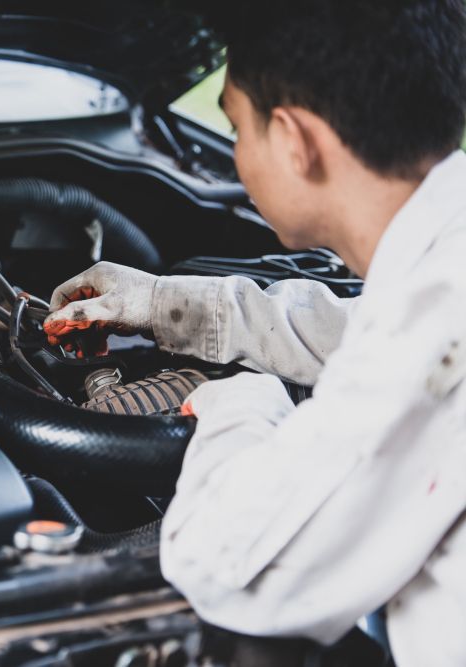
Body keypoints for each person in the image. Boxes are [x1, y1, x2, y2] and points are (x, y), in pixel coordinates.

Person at [43, 1, 466, 665]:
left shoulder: (441, 324)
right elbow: (351, 329)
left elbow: (227, 566)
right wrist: (160, 303)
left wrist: (241, 406)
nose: (235, 151)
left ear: (296, 142)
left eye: (236, 127)